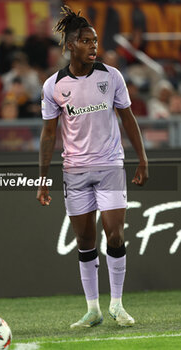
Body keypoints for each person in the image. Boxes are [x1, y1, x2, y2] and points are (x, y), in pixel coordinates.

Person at [37, 6, 148, 329]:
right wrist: (43, 178)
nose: (93, 46)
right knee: (85, 241)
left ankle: (117, 304)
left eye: (95, 40)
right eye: (86, 41)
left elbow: (127, 118)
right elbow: (48, 133)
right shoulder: (53, 86)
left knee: (115, 234)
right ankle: (93, 309)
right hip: (74, 171)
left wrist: (142, 158)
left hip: (111, 165)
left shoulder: (111, 76)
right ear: (71, 45)